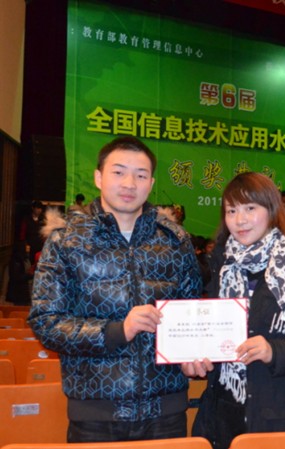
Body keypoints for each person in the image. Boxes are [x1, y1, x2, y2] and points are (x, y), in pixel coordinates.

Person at [28, 136, 203, 443]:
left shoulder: (175, 240)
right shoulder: (66, 241)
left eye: (140, 175)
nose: (129, 183)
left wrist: (194, 354)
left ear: (151, 183)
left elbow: (192, 312)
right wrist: (119, 330)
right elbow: (46, 322)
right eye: (119, 172)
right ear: (98, 177)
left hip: (166, 412)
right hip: (96, 414)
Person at [182, 172, 285, 449]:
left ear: (272, 210)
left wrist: (272, 351)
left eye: (250, 208)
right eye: (231, 210)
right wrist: (197, 360)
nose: (239, 220)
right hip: (221, 416)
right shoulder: (222, 266)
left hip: (279, 417)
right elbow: (214, 336)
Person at [19, 200, 45, 264]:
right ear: (33, 208)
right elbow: (22, 232)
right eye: (37, 208)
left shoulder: (43, 219)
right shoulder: (27, 218)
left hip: (40, 244)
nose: (39, 210)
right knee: (30, 261)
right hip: (30, 244)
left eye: (40, 208)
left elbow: (45, 232)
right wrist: (24, 243)